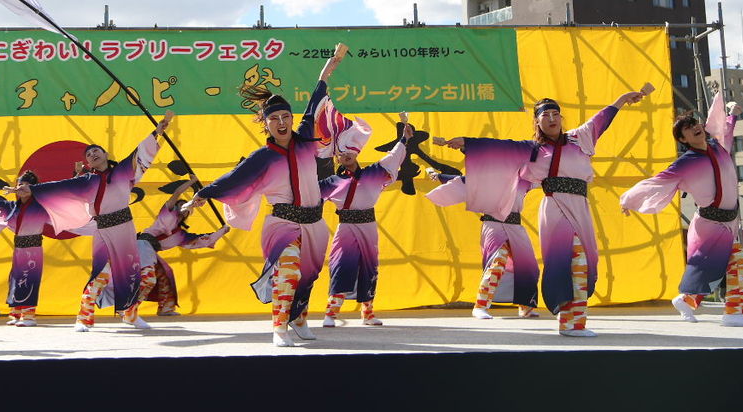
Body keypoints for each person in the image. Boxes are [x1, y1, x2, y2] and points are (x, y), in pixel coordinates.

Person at [442, 86, 651, 337]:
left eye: (555, 114)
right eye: (545, 115)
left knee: (585, 263)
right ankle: (571, 324)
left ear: (561, 118)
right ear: (537, 122)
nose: (552, 119)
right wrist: (467, 143)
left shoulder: (580, 138)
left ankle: (569, 316)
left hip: (580, 207)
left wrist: (623, 98)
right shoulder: (532, 150)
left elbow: (602, 118)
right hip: (556, 208)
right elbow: (501, 148)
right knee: (574, 261)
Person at [186, 44, 348, 347]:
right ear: (266, 123)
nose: (282, 122)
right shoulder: (262, 157)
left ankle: (298, 319)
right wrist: (203, 195)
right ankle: (279, 328)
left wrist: (329, 69)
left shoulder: (305, 138)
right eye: (275, 119)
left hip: (315, 223)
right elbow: (233, 179)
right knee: (288, 271)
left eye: (286, 116)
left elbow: (316, 99)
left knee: (307, 276)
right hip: (282, 224)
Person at [28, 110, 174, 331]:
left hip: (125, 228)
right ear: (88, 163)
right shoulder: (88, 180)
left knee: (130, 273)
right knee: (101, 274)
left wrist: (157, 132)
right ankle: (83, 317)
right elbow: (60, 187)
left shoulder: (123, 171)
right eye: (88, 155)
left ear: (105, 154)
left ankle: (130, 315)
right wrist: (32, 189)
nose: (92, 154)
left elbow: (140, 153)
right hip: (103, 229)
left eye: (96, 150)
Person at [620, 96, 743, 327]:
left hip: (728, 221)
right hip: (710, 225)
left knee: (708, 271)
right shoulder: (686, 163)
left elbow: (726, 131)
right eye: (688, 127)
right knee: (738, 259)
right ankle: (733, 314)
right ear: (683, 139)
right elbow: (656, 182)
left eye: (695, 123)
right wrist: (629, 199)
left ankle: (686, 300)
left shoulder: (718, 147)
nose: (695, 126)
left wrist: (733, 115)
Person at [320, 112, 411, 328]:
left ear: (357, 153)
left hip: (368, 226)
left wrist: (405, 137)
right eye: (341, 153)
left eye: (350, 151)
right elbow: (307, 193)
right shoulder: (332, 182)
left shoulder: (374, 173)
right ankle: (331, 313)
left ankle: (368, 314)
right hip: (346, 228)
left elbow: (394, 156)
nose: (346, 155)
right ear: (336, 158)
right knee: (340, 265)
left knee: (369, 266)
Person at [96, 180, 230, 319]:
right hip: (141, 245)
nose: (182, 207)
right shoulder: (167, 214)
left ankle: (165, 308)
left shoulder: (180, 235)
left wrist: (222, 231)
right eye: (179, 205)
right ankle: (128, 308)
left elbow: (202, 240)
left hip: (148, 252)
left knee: (164, 276)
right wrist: (192, 181)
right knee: (148, 279)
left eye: (185, 207)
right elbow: (177, 192)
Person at [424, 163, 540, 320]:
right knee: (497, 264)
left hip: (515, 227)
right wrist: (438, 176)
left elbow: (544, 179)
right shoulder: (486, 179)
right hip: (494, 225)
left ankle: (526, 306)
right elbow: (462, 181)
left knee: (529, 267)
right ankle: (480, 306)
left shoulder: (524, 180)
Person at [0, 170, 54, 326]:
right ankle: (16, 314)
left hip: (33, 249)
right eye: (19, 184)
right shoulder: (12, 207)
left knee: (29, 279)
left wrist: (77, 176)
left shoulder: (41, 206)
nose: (22, 187)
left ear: (34, 188)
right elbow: (0, 201)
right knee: (16, 278)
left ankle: (29, 316)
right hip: (19, 249)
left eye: (26, 185)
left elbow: (55, 194)